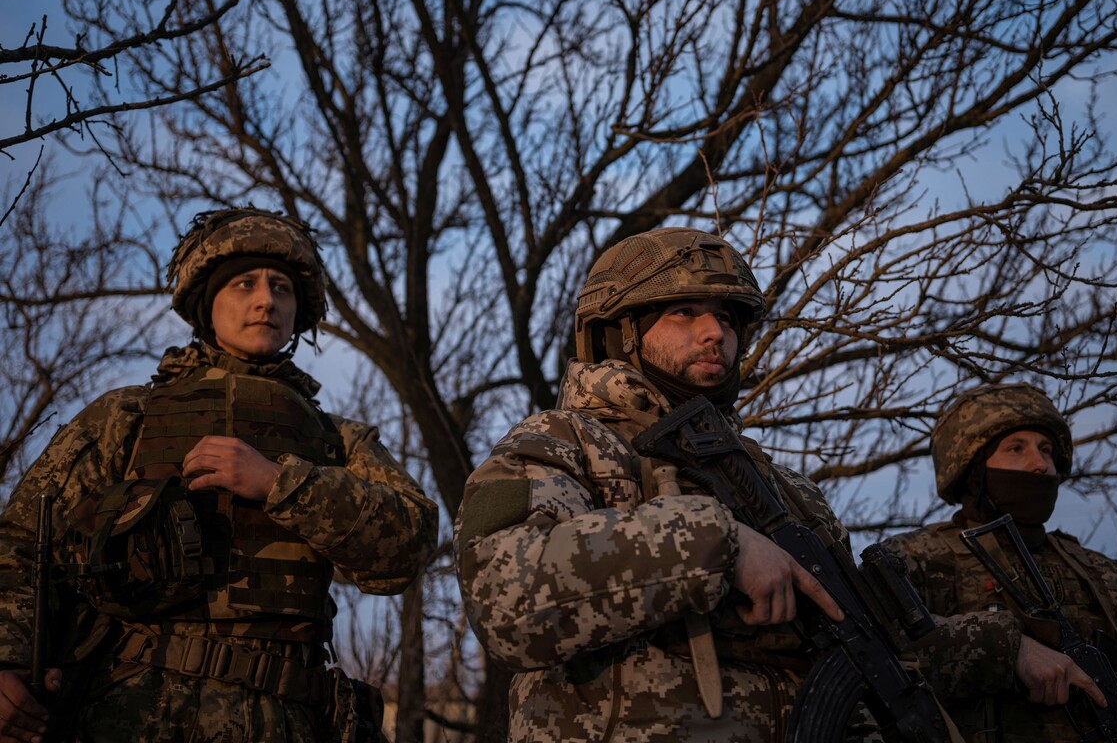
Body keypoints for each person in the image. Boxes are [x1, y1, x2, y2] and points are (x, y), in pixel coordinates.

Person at [0, 208, 439, 742]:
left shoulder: (334, 439)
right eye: (244, 284)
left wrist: (281, 484)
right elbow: (23, 541)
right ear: (206, 304)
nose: (265, 300)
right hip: (135, 714)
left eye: (281, 288)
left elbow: (409, 543)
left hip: (287, 718)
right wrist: (7, 661)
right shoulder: (126, 418)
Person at [455, 226, 883, 741]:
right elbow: (505, 599)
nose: (714, 332)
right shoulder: (563, 440)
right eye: (684, 311)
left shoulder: (790, 491)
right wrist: (717, 544)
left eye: (726, 317)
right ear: (621, 329)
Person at [886, 382, 1117, 742]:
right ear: (973, 471)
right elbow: (864, 649)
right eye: (1016, 449)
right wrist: (1007, 649)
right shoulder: (916, 558)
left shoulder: (1105, 577)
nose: (1040, 465)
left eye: (1047, 450)